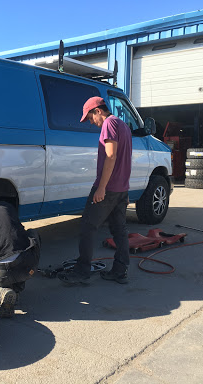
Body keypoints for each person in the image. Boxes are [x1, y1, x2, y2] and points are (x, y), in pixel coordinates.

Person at [58, 96, 132, 286]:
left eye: (90, 118)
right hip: (121, 189)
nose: (91, 122)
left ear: (98, 110)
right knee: (119, 230)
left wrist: (101, 188)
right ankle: (119, 271)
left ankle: (82, 272)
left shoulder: (109, 123)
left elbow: (111, 155)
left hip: (108, 188)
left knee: (87, 228)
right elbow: (124, 159)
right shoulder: (123, 125)